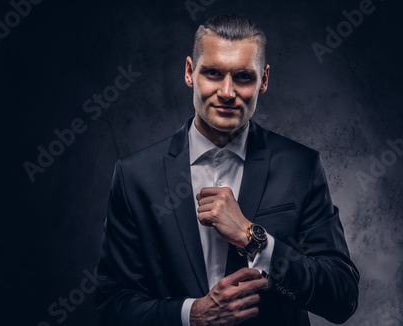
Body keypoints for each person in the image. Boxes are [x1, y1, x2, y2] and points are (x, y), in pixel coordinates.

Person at [96, 14, 359, 326]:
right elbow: (113, 306)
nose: (226, 91)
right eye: (213, 73)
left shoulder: (300, 166)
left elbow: (342, 297)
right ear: (190, 72)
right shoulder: (135, 175)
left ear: (264, 80)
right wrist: (191, 315)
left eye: (244, 77)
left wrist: (253, 238)